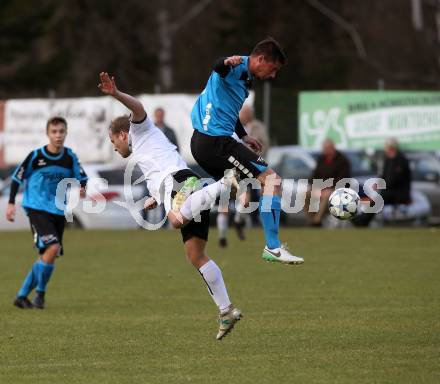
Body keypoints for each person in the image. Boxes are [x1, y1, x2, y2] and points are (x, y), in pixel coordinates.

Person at [98, 72, 241, 340]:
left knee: (175, 220)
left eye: (113, 141)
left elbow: (138, 108)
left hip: (179, 182)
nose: (115, 148)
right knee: (195, 255)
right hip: (182, 185)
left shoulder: (140, 131)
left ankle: (224, 183)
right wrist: (154, 198)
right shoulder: (145, 155)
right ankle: (226, 309)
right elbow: (158, 173)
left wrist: (116, 94)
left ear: (121, 134)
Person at [190, 37, 303, 265]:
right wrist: (226, 61)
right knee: (272, 181)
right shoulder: (235, 66)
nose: (273, 76)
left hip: (206, 142)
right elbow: (218, 67)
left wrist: (243, 136)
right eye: (272, 69)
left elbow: (228, 110)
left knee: (240, 189)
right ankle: (272, 246)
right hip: (215, 142)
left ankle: (186, 195)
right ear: (260, 59)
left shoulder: (246, 77)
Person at [6, 117, 88, 309]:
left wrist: (83, 187)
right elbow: (17, 178)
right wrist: (11, 204)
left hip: (58, 211)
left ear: (66, 133)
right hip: (36, 209)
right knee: (52, 247)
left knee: (47, 255)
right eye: (54, 131)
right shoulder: (36, 156)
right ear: (48, 134)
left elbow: (82, 176)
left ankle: (21, 296)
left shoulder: (69, 157)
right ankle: (40, 295)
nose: (58, 135)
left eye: (61, 131)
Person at [353, 138, 411, 226]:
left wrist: (382, 185)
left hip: (399, 192)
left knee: (380, 198)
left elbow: (395, 180)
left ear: (391, 148)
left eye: (386, 146)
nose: (385, 148)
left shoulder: (401, 160)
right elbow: (384, 177)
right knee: (377, 196)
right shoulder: (387, 159)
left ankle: (363, 220)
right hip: (388, 191)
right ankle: (363, 219)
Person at [306, 138, 351, 226]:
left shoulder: (342, 161)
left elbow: (342, 179)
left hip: (337, 189)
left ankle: (317, 221)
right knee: (305, 195)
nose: (325, 150)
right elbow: (315, 175)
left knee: (327, 196)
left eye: (327, 148)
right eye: (324, 148)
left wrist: (328, 189)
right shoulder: (321, 159)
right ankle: (312, 219)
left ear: (332, 148)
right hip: (322, 188)